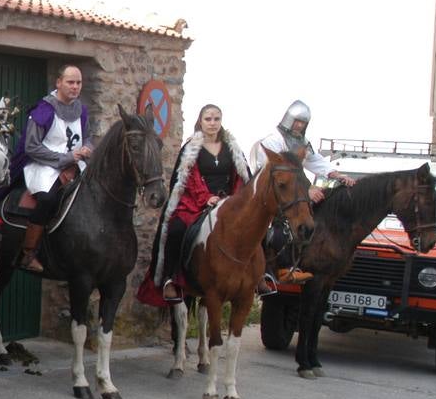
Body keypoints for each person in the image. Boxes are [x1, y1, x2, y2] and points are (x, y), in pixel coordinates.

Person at [145, 104, 249, 304]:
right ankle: (171, 279)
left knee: (254, 227)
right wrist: (206, 198)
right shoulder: (191, 147)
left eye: (216, 119)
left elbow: (240, 177)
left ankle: (259, 276)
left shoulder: (232, 148)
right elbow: (190, 177)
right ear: (200, 121)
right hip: (196, 201)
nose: (212, 123)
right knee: (175, 229)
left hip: (227, 202)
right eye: (208, 119)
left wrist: (232, 201)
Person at [251, 100, 356, 283]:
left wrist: (337, 175)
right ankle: (272, 270)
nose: (299, 125)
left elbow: (316, 162)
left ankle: (297, 265)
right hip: (270, 193)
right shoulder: (273, 141)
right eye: (297, 121)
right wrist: (307, 190)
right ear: (288, 120)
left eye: (303, 122)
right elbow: (279, 174)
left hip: (289, 193)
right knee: (277, 229)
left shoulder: (302, 142)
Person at [9, 65, 93, 273]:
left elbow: (88, 137)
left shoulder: (81, 110)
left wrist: (88, 148)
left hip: (76, 165)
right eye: (70, 82)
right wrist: (65, 158)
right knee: (47, 199)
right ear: (58, 83)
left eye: (78, 83)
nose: (75, 87)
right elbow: (31, 147)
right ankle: (27, 253)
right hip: (44, 167)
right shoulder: (44, 110)